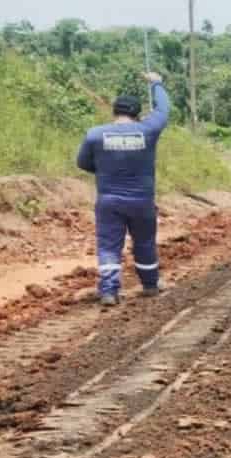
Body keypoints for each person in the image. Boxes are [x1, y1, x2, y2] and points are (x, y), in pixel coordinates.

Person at [77, 72, 170, 306]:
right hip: (142, 201)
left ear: (114, 111)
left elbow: (82, 163)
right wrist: (156, 83)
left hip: (109, 200)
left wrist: (105, 170)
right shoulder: (148, 130)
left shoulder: (95, 134)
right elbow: (163, 110)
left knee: (109, 246)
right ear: (137, 114)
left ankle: (109, 291)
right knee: (145, 243)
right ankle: (150, 285)